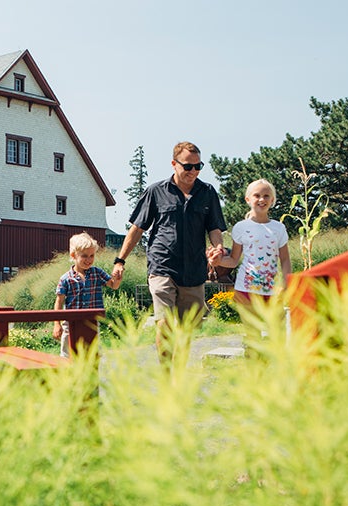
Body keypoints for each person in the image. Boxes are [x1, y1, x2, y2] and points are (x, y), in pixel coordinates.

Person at [113, 141, 226, 366]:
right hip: (162, 266)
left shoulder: (207, 192)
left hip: (194, 271)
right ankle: (165, 376)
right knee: (164, 323)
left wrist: (218, 248)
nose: (193, 171)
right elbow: (137, 229)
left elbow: (214, 228)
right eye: (187, 166)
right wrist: (120, 260)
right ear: (174, 164)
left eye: (198, 166)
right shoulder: (156, 192)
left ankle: (178, 377)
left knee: (186, 331)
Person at [211, 178, 291, 310]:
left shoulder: (279, 228)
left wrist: (286, 284)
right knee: (252, 331)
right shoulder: (241, 227)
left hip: (273, 291)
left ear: (272, 200)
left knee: (275, 329)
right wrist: (218, 261)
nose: (262, 199)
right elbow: (233, 260)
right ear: (248, 199)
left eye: (266, 196)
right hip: (245, 290)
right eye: (257, 195)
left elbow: (285, 259)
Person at [53, 232, 121, 358]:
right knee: (68, 354)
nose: (89, 260)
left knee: (93, 353)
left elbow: (113, 285)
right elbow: (59, 302)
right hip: (71, 322)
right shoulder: (66, 279)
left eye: (92, 256)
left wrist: (117, 279)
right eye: (84, 256)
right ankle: (69, 375)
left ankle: (91, 376)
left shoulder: (97, 273)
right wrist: (57, 324)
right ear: (73, 255)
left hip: (92, 321)